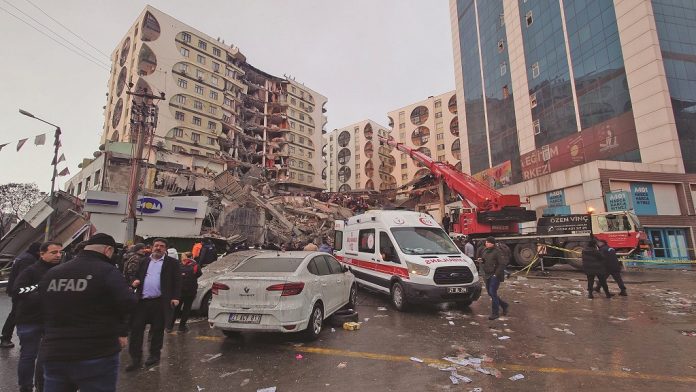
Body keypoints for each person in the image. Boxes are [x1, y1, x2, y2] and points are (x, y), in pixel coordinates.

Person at [38, 233, 137, 392]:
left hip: (55, 351)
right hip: (96, 352)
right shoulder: (107, 271)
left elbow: (39, 304)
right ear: (108, 250)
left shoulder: (53, 273)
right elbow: (128, 303)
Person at [12, 241, 63, 392]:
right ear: (42, 253)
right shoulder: (31, 271)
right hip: (29, 320)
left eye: (60, 252)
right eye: (54, 253)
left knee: (48, 356)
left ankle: (44, 385)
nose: (58, 255)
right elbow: (17, 291)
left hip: (51, 321)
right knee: (28, 355)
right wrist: (39, 288)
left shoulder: (62, 271)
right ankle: (26, 386)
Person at [127, 238, 181, 371]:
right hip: (142, 301)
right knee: (136, 330)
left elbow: (177, 281)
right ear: (151, 247)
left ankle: (154, 355)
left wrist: (175, 297)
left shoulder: (172, 263)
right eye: (156, 245)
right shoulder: (144, 261)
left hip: (160, 302)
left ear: (165, 249)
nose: (158, 248)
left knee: (157, 330)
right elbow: (135, 275)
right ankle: (135, 359)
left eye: (161, 246)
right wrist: (134, 281)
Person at [1, 243, 40, 349]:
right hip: (20, 291)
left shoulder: (23, 256)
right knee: (15, 314)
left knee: (14, 314)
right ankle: (5, 338)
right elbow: (23, 277)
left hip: (15, 289)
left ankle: (6, 337)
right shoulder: (28, 260)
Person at [167, 252, 202, 333]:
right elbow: (199, 274)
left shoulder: (179, 265)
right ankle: (181, 328)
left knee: (176, 308)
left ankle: (169, 327)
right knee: (187, 309)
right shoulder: (195, 265)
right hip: (191, 291)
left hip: (179, 291)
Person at [479, 237, 509, 320]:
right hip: (487, 274)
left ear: (492, 243)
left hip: (494, 275)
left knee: (492, 292)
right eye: (486, 242)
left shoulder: (497, 251)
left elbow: (502, 264)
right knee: (490, 293)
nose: (486, 243)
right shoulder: (485, 250)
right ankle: (504, 305)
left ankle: (495, 313)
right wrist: (481, 260)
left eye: (488, 242)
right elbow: (485, 260)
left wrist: (496, 274)